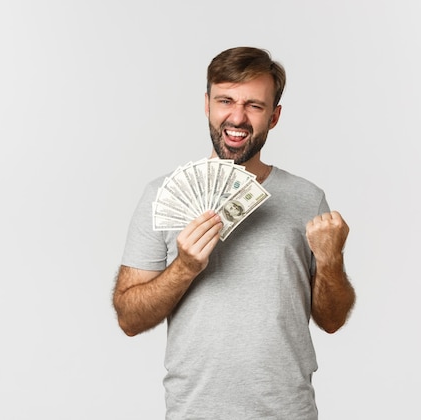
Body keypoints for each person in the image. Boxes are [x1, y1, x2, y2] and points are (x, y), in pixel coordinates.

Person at [112, 46, 356, 419]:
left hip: (287, 411)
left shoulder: (308, 198)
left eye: (254, 106)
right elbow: (129, 319)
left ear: (273, 117)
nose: (237, 117)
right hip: (194, 411)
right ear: (206, 104)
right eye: (225, 100)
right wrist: (185, 267)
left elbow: (332, 319)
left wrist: (331, 260)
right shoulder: (159, 195)